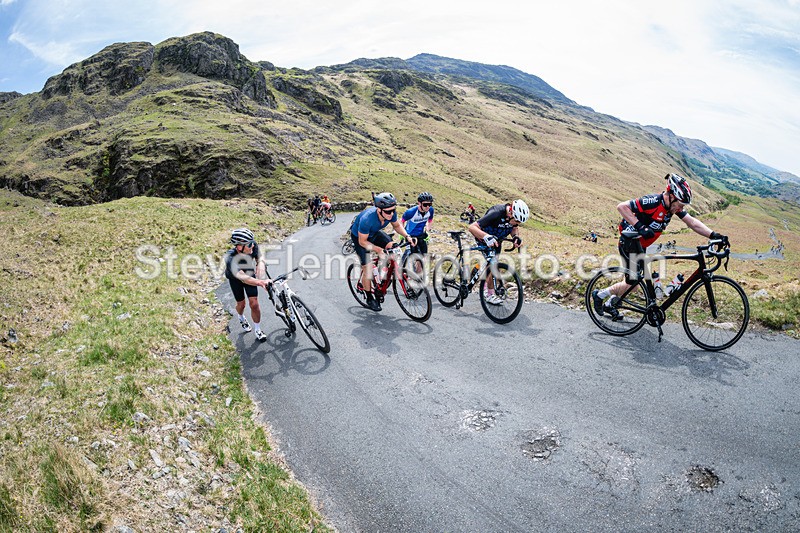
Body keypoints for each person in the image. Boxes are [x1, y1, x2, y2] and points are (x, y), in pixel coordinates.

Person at [592, 173, 728, 320]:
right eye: (680, 204)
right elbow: (622, 207)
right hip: (630, 244)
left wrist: (714, 235)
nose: (681, 208)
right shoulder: (652, 202)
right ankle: (600, 295)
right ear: (671, 196)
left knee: (633, 283)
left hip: (640, 246)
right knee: (633, 284)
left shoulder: (672, 207)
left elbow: (693, 223)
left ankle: (610, 303)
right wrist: (640, 226)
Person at [351, 192, 417, 312]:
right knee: (368, 269)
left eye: (393, 210)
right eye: (388, 212)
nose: (391, 214)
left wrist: (407, 237)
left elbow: (397, 226)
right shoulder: (367, 219)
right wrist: (378, 249)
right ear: (379, 210)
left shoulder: (390, 213)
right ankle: (369, 297)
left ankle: (383, 277)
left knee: (393, 247)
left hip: (375, 233)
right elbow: (362, 242)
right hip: (360, 239)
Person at [468, 199, 529, 304]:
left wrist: (515, 237)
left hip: (497, 241)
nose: (517, 224)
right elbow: (472, 227)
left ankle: (479, 269)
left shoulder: (513, 218)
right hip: (484, 239)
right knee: (493, 265)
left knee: (493, 264)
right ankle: (489, 294)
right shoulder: (496, 213)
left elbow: (514, 228)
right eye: (517, 221)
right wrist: (486, 236)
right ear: (510, 213)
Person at [224, 228, 273, 341]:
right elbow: (243, 278)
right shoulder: (230, 258)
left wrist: (260, 264)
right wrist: (261, 282)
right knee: (241, 304)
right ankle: (241, 317)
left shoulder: (252, 245)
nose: (252, 246)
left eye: (252, 243)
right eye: (249, 244)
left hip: (249, 273)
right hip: (236, 279)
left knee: (254, 304)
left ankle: (258, 330)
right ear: (239, 247)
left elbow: (259, 256)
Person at [402, 192, 435, 257]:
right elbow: (401, 221)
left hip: (421, 235)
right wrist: (403, 234)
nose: (428, 207)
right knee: (411, 256)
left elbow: (430, 220)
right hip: (410, 236)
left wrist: (427, 230)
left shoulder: (431, 210)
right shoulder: (411, 212)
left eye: (430, 204)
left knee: (423, 257)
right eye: (425, 204)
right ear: (419, 203)